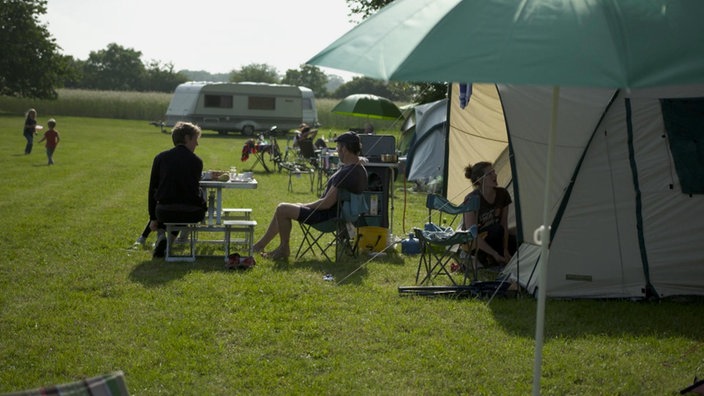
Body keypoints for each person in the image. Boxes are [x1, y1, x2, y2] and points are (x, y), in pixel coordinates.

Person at [253, 131, 368, 260]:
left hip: (326, 218)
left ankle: (283, 249)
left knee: (282, 209)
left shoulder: (346, 173)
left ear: (345, 149)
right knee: (284, 208)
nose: (337, 150)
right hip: (339, 216)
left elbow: (326, 203)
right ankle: (259, 246)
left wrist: (305, 205)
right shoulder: (359, 169)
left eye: (338, 147)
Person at [148, 121, 207, 258]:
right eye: (195, 140)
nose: (197, 144)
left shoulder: (160, 158)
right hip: (191, 213)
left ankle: (162, 236)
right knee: (189, 205)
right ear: (187, 138)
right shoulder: (196, 161)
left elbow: (152, 190)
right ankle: (168, 243)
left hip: (163, 212)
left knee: (167, 204)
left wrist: (153, 218)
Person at [462, 161, 516, 268]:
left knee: (515, 242)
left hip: (495, 236)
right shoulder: (471, 199)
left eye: (494, 172)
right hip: (475, 243)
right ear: (480, 179)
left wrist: (505, 249)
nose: (495, 175)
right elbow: (472, 234)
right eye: (490, 173)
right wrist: (495, 254)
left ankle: (496, 259)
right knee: (496, 230)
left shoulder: (503, 194)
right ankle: (489, 258)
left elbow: (504, 224)